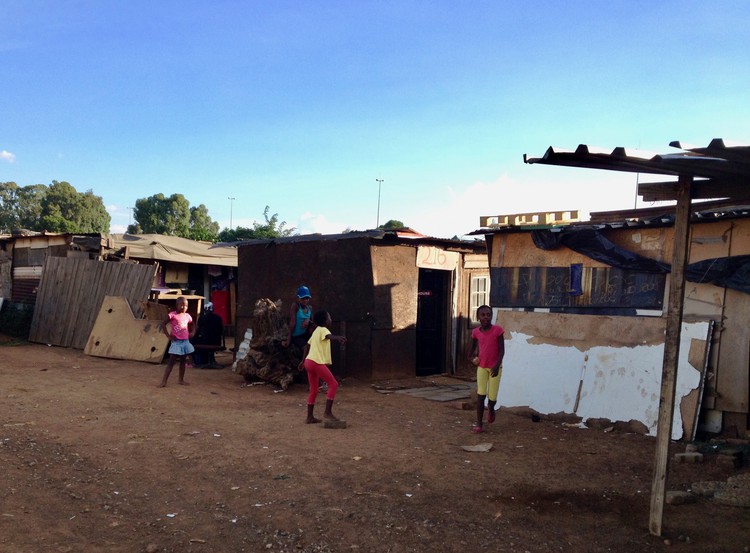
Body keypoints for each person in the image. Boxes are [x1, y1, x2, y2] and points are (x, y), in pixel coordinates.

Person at [298, 310, 347, 423]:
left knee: (314, 390)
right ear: (326, 321)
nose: (331, 319)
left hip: (308, 362)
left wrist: (302, 361)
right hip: (316, 362)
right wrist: (338, 338)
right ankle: (327, 413)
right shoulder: (323, 329)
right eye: (329, 317)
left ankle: (309, 417)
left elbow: (307, 346)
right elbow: (329, 336)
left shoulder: (315, 331)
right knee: (333, 384)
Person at [468, 305, 505, 433]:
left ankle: (491, 407)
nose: (486, 317)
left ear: (492, 316)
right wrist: (472, 359)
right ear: (478, 317)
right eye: (483, 315)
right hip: (482, 368)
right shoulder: (476, 332)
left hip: (495, 368)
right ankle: (479, 424)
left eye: (488, 314)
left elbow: (502, 351)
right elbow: (471, 351)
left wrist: (496, 365)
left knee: (492, 397)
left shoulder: (498, 331)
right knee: (480, 396)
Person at [159, 296, 195, 387]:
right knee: (171, 361)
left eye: (186, 305)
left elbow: (193, 324)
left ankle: (181, 380)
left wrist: (193, 332)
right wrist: (168, 335)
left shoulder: (187, 316)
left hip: (185, 341)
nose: (184, 307)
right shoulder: (172, 315)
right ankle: (164, 381)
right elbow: (163, 323)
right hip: (177, 342)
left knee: (183, 361)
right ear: (177, 305)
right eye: (181, 305)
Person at [191, 301, 224, 368]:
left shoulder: (202, 318)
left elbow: (198, 331)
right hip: (217, 342)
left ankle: (196, 362)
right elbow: (221, 331)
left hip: (204, 342)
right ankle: (210, 360)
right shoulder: (218, 318)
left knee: (192, 341)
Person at [282, 285, 314, 349]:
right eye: (303, 298)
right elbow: (292, 323)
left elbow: (312, 323)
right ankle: (303, 359)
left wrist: (308, 320)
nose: (305, 300)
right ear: (298, 298)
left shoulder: (309, 308)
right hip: (296, 336)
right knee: (306, 348)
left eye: (307, 298)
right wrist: (289, 339)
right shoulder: (295, 306)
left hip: (305, 334)